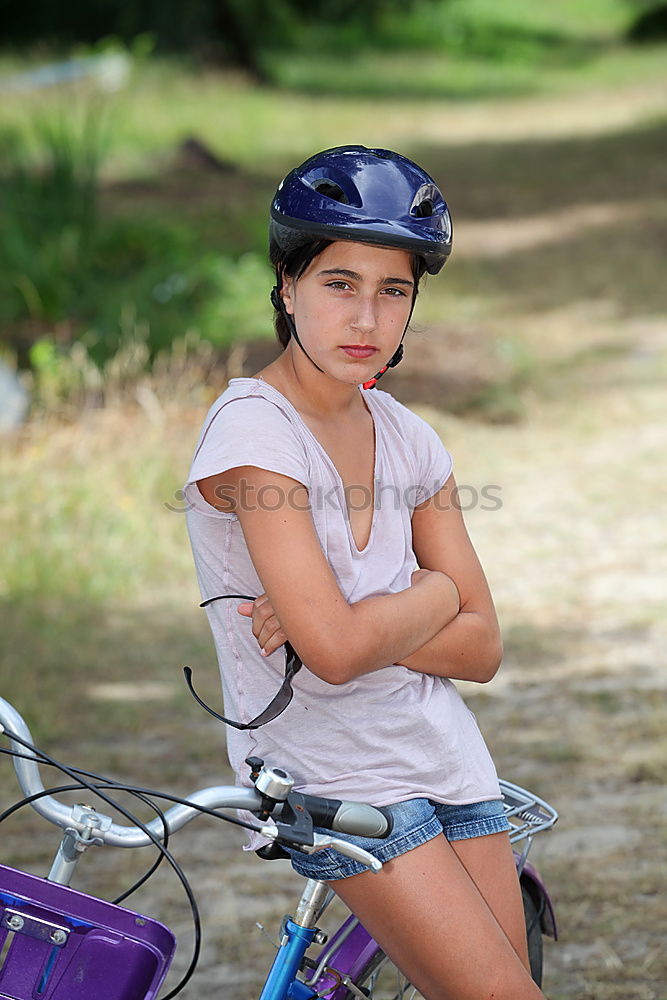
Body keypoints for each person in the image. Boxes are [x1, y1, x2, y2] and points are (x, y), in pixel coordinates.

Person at [184, 145, 545, 1000]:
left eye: (394, 291)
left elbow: (482, 647)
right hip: (331, 775)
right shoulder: (254, 432)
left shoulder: (409, 436)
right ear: (286, 285)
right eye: (339, 284)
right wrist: (433, 594)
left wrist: (370, 616)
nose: (367, 319)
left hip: (444, 754)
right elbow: (338, 654)